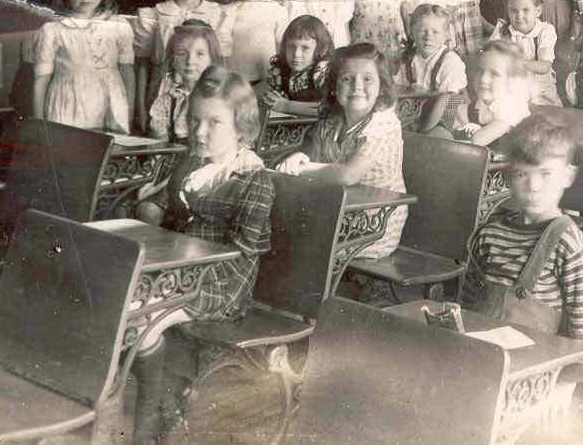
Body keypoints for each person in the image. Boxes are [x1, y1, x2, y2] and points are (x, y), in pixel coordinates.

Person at [134, 66, 274, 442]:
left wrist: (179, 261)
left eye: (214, 123)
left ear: (241, 129)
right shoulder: (190, 162)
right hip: (183, 270)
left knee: (142, 318)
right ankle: (158, 403)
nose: (199, 132)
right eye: (195, 120)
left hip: (224, 281)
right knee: (128, 305)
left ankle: (149, 419)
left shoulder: (252, 178)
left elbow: (240, 254)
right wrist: (149, 211)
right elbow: (163, 208)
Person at [462, 114, 583, 347]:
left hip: (538, 366)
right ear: (508, 177)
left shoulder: (567, 241)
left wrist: (569, 377)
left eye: (545, 174)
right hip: (484, 355)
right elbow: (469, 302)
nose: (533, 186)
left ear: (567, 176)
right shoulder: (489, 235)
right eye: (522, 174)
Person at [276, 43, 406, 259]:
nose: (357, 86)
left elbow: (349, 174)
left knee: (292, 241)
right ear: (334, 87)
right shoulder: (332, 122)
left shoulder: (385, 124)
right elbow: (318, 160)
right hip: (337, 214)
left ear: (381, 87)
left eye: (367, 79)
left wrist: (304, 167)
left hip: (374, 223)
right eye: (346, 79)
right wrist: (301, 156)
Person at [32, 0, 135, 133]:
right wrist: (40, 125)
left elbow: (127, 72)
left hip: (110, 107)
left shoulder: (119, 26)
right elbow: (41, 81)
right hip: (69, 109)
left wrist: (130, 113)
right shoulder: (53, 30)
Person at [133, 0, 229, 128]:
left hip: (205, 96)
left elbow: (222, 65)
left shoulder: (219, 15)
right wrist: (141, 112)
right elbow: (143, 66)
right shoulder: (154, 15)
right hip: (161, 94)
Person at [395, 4, 468, 137]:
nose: (428, 37)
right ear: (411, 32)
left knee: (437, 137)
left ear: (446, 35)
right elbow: (398, 89)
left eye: (435, 32)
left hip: (446, 116)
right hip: (417, 113)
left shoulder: (450, 61)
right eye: (422, 31)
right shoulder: (408, 59)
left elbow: (445, 99)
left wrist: (422, 130)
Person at [221, 0, 288, 85]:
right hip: (234, 81)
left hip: (266, 81)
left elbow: (284, 47)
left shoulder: (276, 9)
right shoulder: (225, 10)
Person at [148, 22, 222, 141]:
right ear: (172, 59)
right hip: (173, 155)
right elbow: (159, 138)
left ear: (212, 58)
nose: (190, 61)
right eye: (182, 53)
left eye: (200, 54)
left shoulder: (219, 97)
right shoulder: (170, 96)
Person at [490, 0, 559, 106]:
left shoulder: (545, 30)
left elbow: (544, 66)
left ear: (538, 11)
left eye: (525, 10)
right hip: (512, 88)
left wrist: (516, 64)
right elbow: (490, 56)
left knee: (546, 118)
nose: (519, 16)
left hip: (541, 91)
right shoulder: (502, 30)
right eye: (513, 10)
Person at [460, 40, 532, 148]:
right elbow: (452, 122)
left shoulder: (515, 108)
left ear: (512, 81)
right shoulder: (476, 105)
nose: (484, 79)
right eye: (480, 70)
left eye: (494, 74)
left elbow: (476, 141)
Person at [261, 15, 333, 118]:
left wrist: (286, 106)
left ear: (321, 49)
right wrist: (270, 99)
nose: (296, 54)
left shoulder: (321, 71)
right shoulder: (281, 70)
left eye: (305, 48)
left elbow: (329, 109)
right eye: (291, 46)